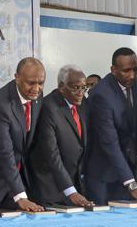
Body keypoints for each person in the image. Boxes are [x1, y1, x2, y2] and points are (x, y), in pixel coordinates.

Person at [84, 48, 137, 204]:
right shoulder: (101, 94)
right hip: (102, 172)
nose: (132, 75)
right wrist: (131, 185)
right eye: (126, 71)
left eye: (135, 69)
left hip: (128, 166)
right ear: (113, 70)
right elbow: (109, 142)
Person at [0, 57, 46, 212]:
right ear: (17, 77)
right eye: (31, 83)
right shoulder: (0, 105)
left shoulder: (36, 97)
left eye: (41, 83)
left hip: (20, 181)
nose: (36, 88)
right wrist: (20, 196)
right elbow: (4, 153)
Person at [27, 65, 93, 207]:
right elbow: (51, 154)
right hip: (51, 187)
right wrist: (70, 190)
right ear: (61, 87)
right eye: (76, 88)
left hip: (75, 186)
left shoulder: (83, 103)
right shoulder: (49, 107)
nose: (81, 92)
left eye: (84, 87)